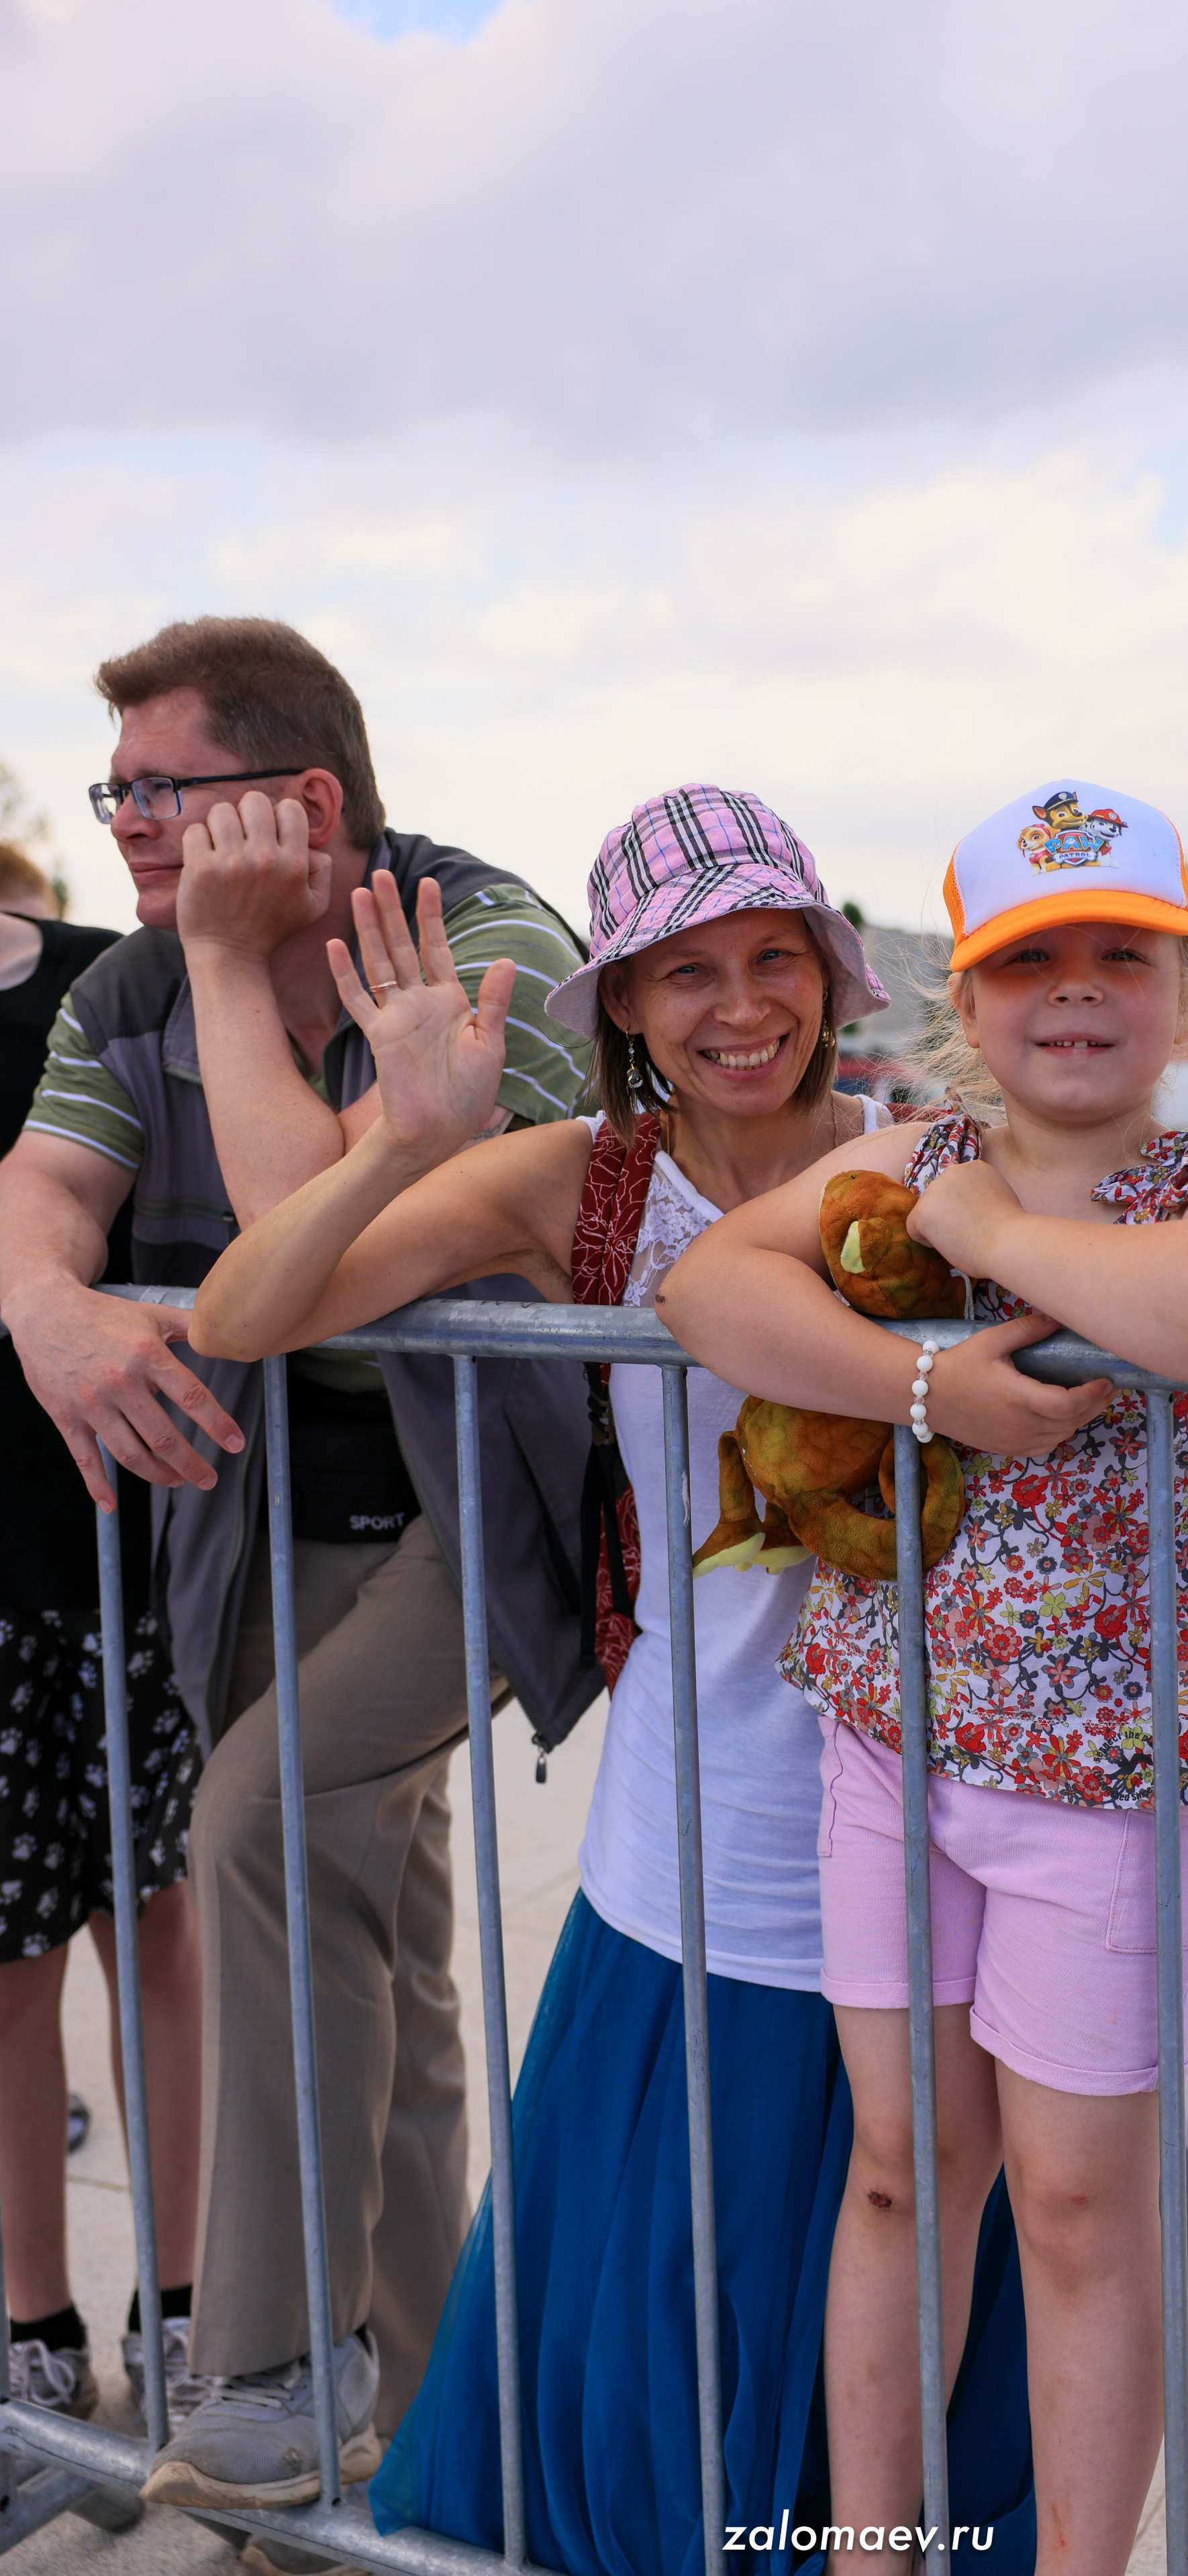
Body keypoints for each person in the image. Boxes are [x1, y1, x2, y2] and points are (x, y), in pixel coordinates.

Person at [188, 785, 1034, 2576]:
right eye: (688, 971)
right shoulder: (579, 1180)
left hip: (925, 1800)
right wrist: (400, 1143)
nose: (742, 1005)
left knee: (907, 2217)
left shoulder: (935, 1159)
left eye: (774, 956)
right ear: (626, 1002)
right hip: (689, 1826)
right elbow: (243, 1314)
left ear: (830, 973)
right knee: (677, 2288)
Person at [662, 781, 1188, 2576]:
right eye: (1030, 959)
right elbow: (710, 1287)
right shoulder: (903, 1161)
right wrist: (927, 1380)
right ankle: (873, 2553)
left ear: (1186, 990)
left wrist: (985, 1235)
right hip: (890, 1753)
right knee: (898, 2171)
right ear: (967, 995)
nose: (1078, 988)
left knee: (1080, 2204)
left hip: (1107, 1794)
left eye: (1124, 951)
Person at [0, 617, 591, 2531]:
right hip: (259, 1510)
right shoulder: (131, 980)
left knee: (256, 1820)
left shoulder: (485, 947)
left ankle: (268, 2366)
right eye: (113, 789)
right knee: (378, 1960)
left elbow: (294, 1239)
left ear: (305, 799)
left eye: (159, 787)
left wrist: (229, 961)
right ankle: (418, 2464)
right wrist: (45, 1308)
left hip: (474, 1500)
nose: (124, 823)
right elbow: (43, 1186)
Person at [0, 844, 205, 2428]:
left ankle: (184, 2305)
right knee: (7, 1971)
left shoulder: (106, 980)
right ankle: (36, 2324)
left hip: (141, 1548)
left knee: (160, 1936)